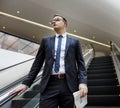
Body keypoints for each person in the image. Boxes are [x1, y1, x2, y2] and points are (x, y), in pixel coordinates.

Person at [10, 14, 88, 108]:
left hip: (69, 85)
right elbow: (37, 63)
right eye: (52, 21)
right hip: (49, 84)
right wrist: (26, 83)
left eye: (57, 20)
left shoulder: (74, 42)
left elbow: (81, 64)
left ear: (65, 23)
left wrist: (83, 83)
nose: (54, 22)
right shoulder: (46, 41)